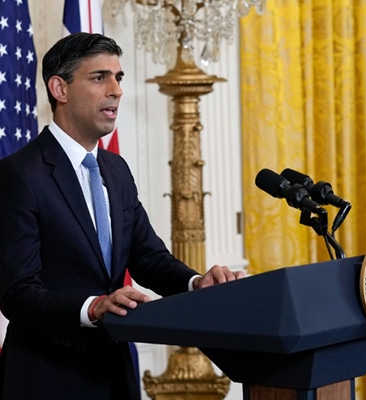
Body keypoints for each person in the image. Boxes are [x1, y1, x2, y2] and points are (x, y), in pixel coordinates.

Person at [0, 33, 244, 400]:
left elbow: (148, 257)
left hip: (115, 373)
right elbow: (18, 294)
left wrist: (196, 284)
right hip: (48, 378)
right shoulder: (20, 175)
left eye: (119, 77)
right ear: (59, 88)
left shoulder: (115, 169)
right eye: (99, 77)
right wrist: (93, 307)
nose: (116, 90)